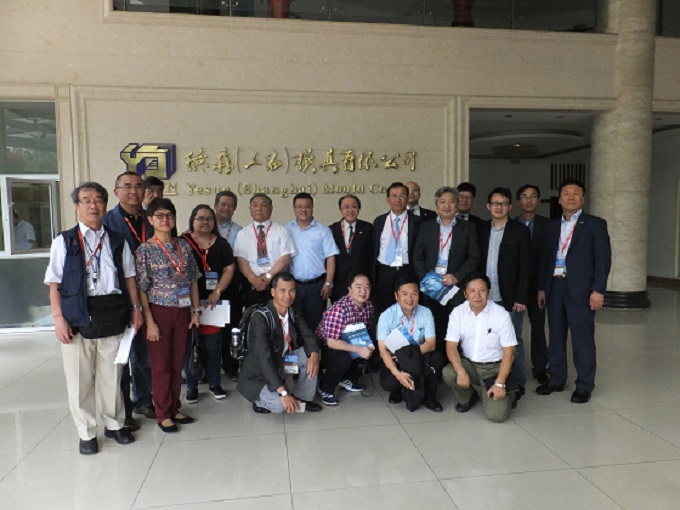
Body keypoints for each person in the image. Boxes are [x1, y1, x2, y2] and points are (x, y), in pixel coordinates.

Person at [44, 181, 143, 454]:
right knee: (80, 380)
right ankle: (86, 432)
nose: (93, 205)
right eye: (86, 200)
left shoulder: (117, 240)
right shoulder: (64, 241)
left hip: (112, 313)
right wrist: (58, 318)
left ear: (105, 205)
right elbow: (54, 283)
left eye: (98, 200)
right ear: (76, 206)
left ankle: (115, 424)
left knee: (113, 376)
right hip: (77, 317)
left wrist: (136, 309)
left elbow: (130, 277)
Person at [537, 178, 611, 404]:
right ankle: (556, 378)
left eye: (575, 193)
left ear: (583, 198)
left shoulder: (595, 225)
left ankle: (584, 385)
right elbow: (545, 259)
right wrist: (542, 288)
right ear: (559, 200)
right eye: (566, 193)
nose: (570, 197)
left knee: (582, 338)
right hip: (554, 287)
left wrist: (598, 290)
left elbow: (603, 259)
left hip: (582, 289)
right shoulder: (551, 227)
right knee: (556, 336)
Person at [136, 198, 201, 432]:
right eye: (160, 216)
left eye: (169, 215)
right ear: (151, 219)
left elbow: (193, 280)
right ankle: (162, 413)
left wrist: (196, 311)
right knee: (161, 366)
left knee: (177, 363)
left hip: (183, 311)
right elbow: (142, 289)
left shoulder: (183, 246)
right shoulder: (145, 250)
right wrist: (150, 322)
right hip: (158, 312)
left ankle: (175, 407)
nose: (165, 220)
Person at [103, 171, 155, 428]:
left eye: (138, 186)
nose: (134, 191)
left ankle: (144, 399)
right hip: (120, 297)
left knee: (145, 354)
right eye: (127, 186)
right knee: (121, 355)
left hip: (151, 295)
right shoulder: (107, 222)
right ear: (116, 192)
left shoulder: (153, 219)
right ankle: (124, 408)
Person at [237, 272, 322, 414]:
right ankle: (259, 401)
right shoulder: (260, 318)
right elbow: (264, 359)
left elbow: (307, 334)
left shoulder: (293, 310)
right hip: (260, 374)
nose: (287, 296)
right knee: (280, 406)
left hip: (281, 363)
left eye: (291, 290)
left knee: (309, 355)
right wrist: (283, 392)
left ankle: (302, 397)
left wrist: (314, 355)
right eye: (282, 291)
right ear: (273, 292)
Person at [442, 274, 517, 423]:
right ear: (465, 294)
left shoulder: (501, 314)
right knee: (449, 373)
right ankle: (469, 397)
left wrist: (499, 383)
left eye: (482, 290)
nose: (477, 295)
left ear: (488, 292)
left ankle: (508, 391)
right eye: (472, 291)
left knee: (496, 416)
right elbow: (451, 347)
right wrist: (461, 371)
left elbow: (510, 353)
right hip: (470, 365)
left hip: (494, 369)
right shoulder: (458, 313)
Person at [413, 186, 480, 352]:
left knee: (456, 326)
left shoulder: (468, 227)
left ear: (457, 205)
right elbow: (417, 257)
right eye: (442, 202)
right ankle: (436, 361)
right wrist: (427, 279)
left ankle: (456, 361)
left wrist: (456, 276)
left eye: (451, 202)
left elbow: (474, 257)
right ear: (437, 205)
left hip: (455, 286)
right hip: (431, 287)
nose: (447, 205)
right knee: (433, 325)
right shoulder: (426, 227)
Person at [478, 187, 531, 397]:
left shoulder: (519, 231)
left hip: (509, 298)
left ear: (509, 207)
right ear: (488, 206)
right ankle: (490, 379)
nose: (499, 207)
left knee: (513, 341)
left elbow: (526, 266)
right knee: (486, 339)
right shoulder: (481, 229)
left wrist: (521, 297)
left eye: (503, 203)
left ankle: (518, 382)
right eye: (495, 203)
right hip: (484, 298)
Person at [180, 204, 235, 403]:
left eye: (209, 219)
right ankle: (192, 386)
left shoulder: (221, 243)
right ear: (192, 220)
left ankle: (214, 383)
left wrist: (217, 291)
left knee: (213, 346)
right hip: (187, 303)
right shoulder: (182, 242)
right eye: (200, 218)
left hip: (213, 303)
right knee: (190, 346)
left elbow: (229, 268)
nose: (205, 222)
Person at [376, 276, 445, 412]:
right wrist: (397, 373)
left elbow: (431, 344)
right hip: (396, 359)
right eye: (404, 294)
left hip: (419, 356)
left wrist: (407, 356)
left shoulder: (426, 313)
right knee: (388, 382)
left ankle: (430, 398)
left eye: (414, 293)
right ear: (396, 296)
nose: (410, 298)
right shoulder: (386, 316)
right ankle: (397, 389)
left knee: (437, 357)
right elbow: (383, 350)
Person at [316, 273, 374, 406]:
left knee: (373, 346)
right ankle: (325, 388)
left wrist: (366, 347)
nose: (363, 291)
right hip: (327, 346)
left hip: (350, 339)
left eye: (367, 287)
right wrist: (359, 349)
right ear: (349, 289)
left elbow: (365, 329)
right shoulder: (339, 309)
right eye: (358, 287)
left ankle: (346, 378)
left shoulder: (368, 306)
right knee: (343, 358)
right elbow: (331, 342)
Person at [286, 192, 339, 331]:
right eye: (299, 206)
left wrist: (328, 283)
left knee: (316, 325)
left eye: (307, 206)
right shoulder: (286, 230)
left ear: (312, 208)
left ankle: (315, 346)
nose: (303, 210)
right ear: (294, 208)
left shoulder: (323, 230)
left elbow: (331, 257)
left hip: (317, 287)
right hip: (293, 285)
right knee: (294, 324)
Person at [233, 193, 296, 307]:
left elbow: (285, 258)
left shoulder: (281, 231)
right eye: (255, 205)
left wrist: (268, 276)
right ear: (250, 209)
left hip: (276, 285)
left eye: (263, 205)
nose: (259, 208)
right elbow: (241, 260)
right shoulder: (243, 233)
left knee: (276, 316)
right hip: (253, 285)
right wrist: (253, 279)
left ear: (271, 208)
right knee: (253, 315)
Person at [515, 184, 550, 384]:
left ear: (538, 200)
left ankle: (540, 367)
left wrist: (543, 287)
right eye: (525, 196)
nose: (529, 200)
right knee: (513, 329)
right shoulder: (511, 225)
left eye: (533, 196)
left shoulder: (548, 226)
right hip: (516, 287)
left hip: (538, 287)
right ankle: (513, 366)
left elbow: (549, 259)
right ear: (518, 201)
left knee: (538, 328)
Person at [372, 182, 420, 317]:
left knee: (408, 310)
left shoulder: (417, 222)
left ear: (407, 198)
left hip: (407, 271)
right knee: (384, 310)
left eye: (402, 196)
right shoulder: (379, 221)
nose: (398, 200)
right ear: (388, 199)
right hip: (384, 272)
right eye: (394, 196)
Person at [214, 190, 244, 379]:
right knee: (209, 327)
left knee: (231, 326)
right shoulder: (205, 226)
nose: (226, 208)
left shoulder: (240, 231)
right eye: (223, 204)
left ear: (234, 209)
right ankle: (208, 367)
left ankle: (231, 365)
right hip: (209, 283)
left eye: (230, 205)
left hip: (233, 285)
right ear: (215, 205)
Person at [329, 195, 374, 303]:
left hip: (361, 285)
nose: (350, 210)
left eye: (354, 207)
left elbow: (372, 257)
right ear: (340, 210)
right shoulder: (332, 230)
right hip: (339, 283)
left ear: (359, 209)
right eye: (346, 207)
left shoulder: (368, 228)